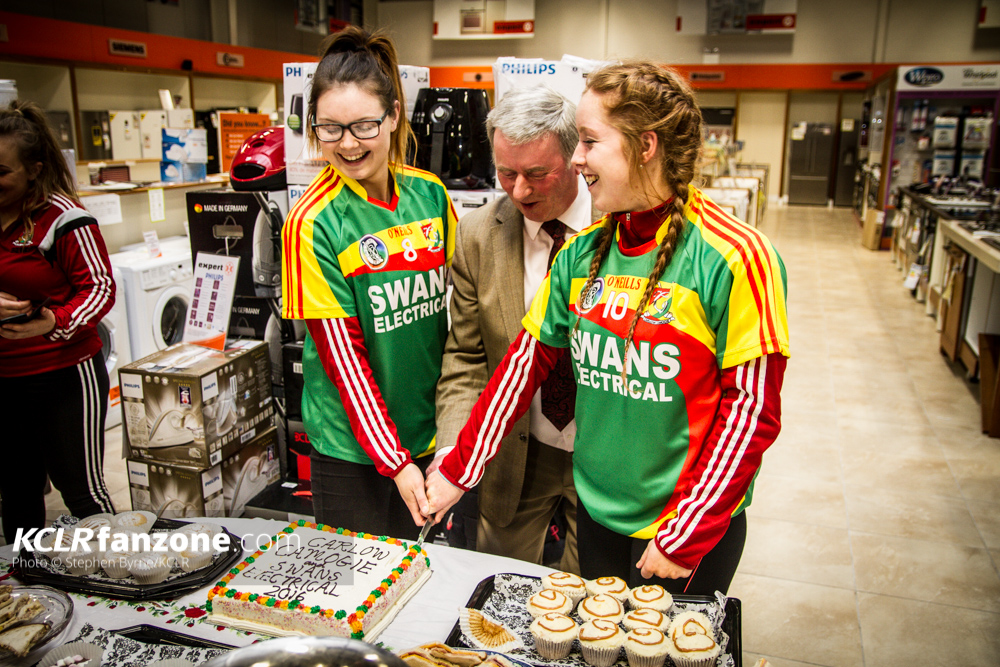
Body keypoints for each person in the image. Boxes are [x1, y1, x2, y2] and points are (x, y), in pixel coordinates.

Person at [426, 61, 789, 595]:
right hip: (597, 518)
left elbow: (752, 411)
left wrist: (684, 532)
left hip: (678, 533)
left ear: (645, 146)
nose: (577, 158)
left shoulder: (736, 256)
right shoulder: (582, 254)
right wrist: (458, 469)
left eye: (590, 142)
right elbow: (522, 368)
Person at [281, 26, 456, 540]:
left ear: (395, 116)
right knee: (358, 596)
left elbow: (461, 317)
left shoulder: (430, 195)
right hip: (353, 452)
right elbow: (344, 362)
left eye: (363, 125)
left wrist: (453, 438)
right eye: (330, 129)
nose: (348, 144)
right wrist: (395, 461)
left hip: (428, 435)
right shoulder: (313, 221)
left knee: (424, 585)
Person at [434, 86, 597, 572]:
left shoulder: (620, 227)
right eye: (507, 173)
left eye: (537, 174)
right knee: (500, 593)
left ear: (576, 159)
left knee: (589, 605)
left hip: (601, 460)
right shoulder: (478, 234)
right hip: (514, 457)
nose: (520, 190)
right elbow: (465, 356)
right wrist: (452, 449)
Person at [0, 100, 116, 543]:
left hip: (64, 372)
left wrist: (53, 320)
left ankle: (124, 579)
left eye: (2, 172)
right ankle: (28, 593)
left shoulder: (62, 217)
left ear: (33, 168)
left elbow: (101, 288)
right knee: (17, 492)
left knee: (82, 492)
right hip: (5, 379)